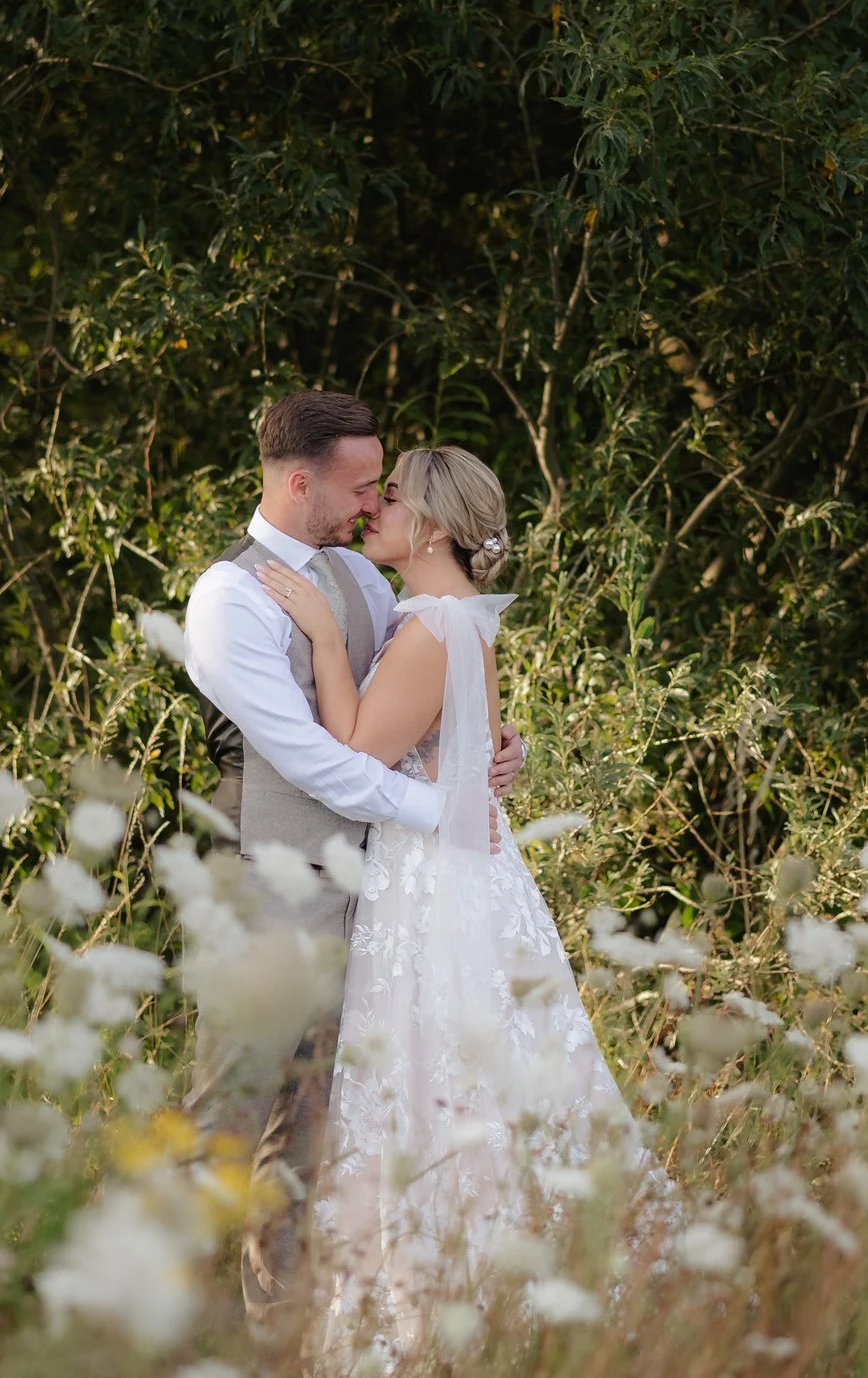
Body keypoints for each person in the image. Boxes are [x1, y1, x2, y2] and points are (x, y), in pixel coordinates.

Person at [254, 444, 648, 1363]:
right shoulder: (449, 616)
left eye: (390, 498)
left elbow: (354, 744)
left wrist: (318, 633)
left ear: (431, 524)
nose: (376, 510)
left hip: (430, 880)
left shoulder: (435, 624)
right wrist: (500, 750)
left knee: (428, 1074)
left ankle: (442, 1305)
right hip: (456, 858)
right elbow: (457, 745)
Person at [181, 392, 526, 1348]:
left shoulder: (369, 586)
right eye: (361, 485)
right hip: (268, 888)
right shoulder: (229, 597)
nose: (373, 503)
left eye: (383, 487)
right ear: (302, 482)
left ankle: (275, 1345)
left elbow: (422, 703)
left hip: (378, 906)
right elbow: (315, 759)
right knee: (223, 1119)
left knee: (312, 1140)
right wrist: (447, 811)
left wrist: (496, 752)